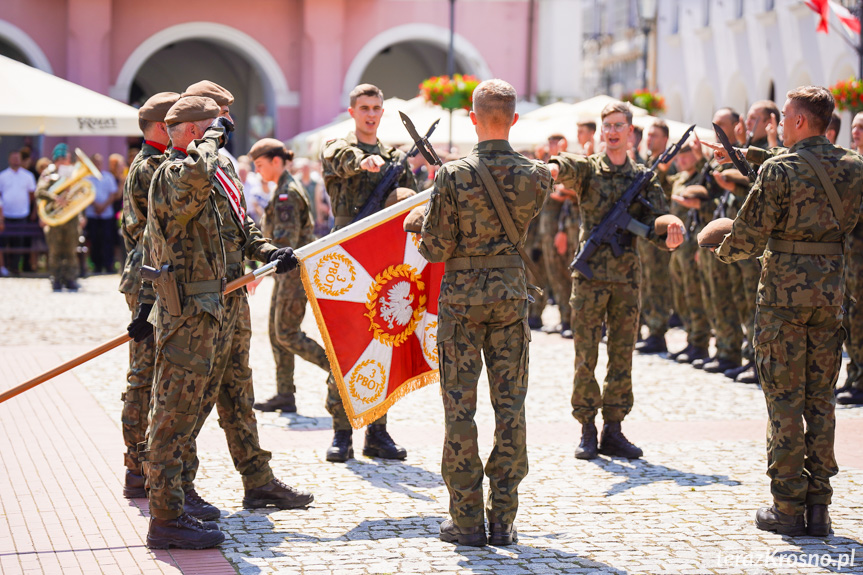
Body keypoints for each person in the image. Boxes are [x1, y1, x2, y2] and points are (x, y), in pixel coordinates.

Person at [712, 86, 863, 537]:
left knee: (783, 401)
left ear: (799, 121)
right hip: (830, 296)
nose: (777, 126)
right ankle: (819, 507)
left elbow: (749, 234)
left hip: (782, 301)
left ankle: (787, 506)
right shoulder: (855, 168)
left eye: (783, 118)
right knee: (821, 400)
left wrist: (720, 250)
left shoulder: (781, 168)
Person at [169, 81, 314, 521]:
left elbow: (239, 221)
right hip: (203, 299)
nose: (227, 119)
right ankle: (179, 485)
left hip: (233, 294)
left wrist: (265, 251)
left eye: (228, 111)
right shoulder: (188, 162)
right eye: (221, 112)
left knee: (239, 389)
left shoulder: (227, 162)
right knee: (193, 395)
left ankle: (257, 479)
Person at [418, 78, 552, 547]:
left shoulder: (451, 175)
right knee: (510, 408)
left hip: (461, 302)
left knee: (460, 409)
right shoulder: (538, 175)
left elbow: (434, 249)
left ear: (473, 118)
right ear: (514, 119)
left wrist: (421, 224)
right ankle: (503, 519)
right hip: (511, 298)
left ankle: (466, 520)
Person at [548, 102, 684, 461]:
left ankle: (614, 428)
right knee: (585, 355)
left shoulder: (643, 177)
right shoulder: (590, 170)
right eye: (606, 125)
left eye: (618, 125)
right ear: (601, 131)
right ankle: (587, 428)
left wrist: (669, 227)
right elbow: (567, 164)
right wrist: (553, 166)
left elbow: (655, 218)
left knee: (622, 355)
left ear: (629, 131)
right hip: (589, 279)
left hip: (625, 279)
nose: (611, 131)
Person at [319, 83, 417, 462]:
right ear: (352, 112)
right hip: (345, 257)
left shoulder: (395, 157)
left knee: (384, 342)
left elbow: (413, 200)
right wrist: (362, 162)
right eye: (364, 107)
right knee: (343, 344)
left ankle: (378, 431)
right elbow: (341, 158)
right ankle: (341, 432)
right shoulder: (336, 146)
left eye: (376, 107)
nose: (371, 114)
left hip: (385, 257)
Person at [117, 91, 179, 499]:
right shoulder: (152, 166)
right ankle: (137, 466)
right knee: (144, 376)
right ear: (161, 127)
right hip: (147, 280)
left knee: (149, 374)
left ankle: (141, 464)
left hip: (147, 274)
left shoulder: (147, 161)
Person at [249, 138, 329, 413]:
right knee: (276, 333)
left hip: (294, 275)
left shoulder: (287, 194)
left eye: (260, 165)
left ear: (276, 161)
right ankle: (285, 393)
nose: (258, 171)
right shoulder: (283, 189)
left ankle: (335, 367)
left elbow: (284, 242)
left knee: (286, 332)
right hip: (286, 276)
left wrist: (259, 271)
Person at [636, 120, 675, 354]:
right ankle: (650, 328)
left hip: (661, 233)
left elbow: (671, 193)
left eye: (655, 136)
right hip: (646, 232)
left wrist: (665, 172)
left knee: (658, 283)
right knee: (647, 282)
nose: (649, 139)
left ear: (665, 140)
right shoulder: (650, 163)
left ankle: (658, 332)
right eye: (648, 135)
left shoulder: (669, 165)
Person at [836, 111, 863, 405]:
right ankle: (854, 373)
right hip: (847, 258)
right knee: (850, 319)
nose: (856, 131)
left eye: (862, 127)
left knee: (860, 319)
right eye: (854, 126)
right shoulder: (851, 165)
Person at [35, 144, 80, 291]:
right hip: (53, 217)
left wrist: (82, 215)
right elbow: (39, 192)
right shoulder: (48, 172)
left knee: (71, 249)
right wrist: (54, 197)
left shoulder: (73, 173)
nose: (64, 161)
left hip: (71, 217)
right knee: (55, 249)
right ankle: (56, 278)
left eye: (65, 158)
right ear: (56, 159)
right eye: (61, 158)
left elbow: (80, 194)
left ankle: (70, 279)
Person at [0, 150, 36, 274]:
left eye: (17, 158)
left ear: (21, 160)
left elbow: (32, 195)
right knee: (4, 243)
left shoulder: (28, 176)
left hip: (22, 213)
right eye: (13, 158)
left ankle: (15, 267)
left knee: (18, 242)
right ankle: (4, 268)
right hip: (5, 215)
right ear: (9, 159)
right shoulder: (2, 176)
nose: (15, 160)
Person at [84, 154, 119, 274]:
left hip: (106, 214)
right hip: (92, 214)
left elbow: (112, 194)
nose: (97, 165)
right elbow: (86, 194)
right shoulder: (87, 178)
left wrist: (103, 206)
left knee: (107, 240)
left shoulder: (108, 177)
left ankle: (108, 265)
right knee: (94, 240)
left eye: (99, 163)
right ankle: (96, 265)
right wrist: (96, 206)